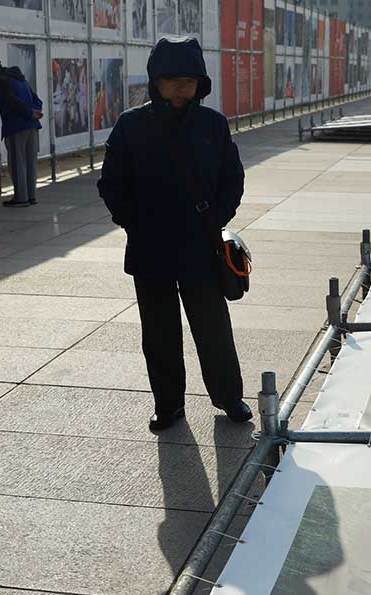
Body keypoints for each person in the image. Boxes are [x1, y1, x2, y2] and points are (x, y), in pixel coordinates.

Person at [97, 37, 251, 432]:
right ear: (156, 82)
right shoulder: (131, 124)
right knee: (158, 334)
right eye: (172, 80)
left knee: (213, 328)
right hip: (150, 248)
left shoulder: (212, 124)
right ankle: (168, 405)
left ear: (200, 84)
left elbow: (232, 178)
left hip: (201, 246)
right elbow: (112, 183)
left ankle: (229, 397)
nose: (181, 88)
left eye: (189, 81)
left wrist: (215, 220)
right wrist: (134, 223)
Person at [0, 58, 42, 207]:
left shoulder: (2, 81)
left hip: (16, 126)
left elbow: (11, 102)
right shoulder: (20, 79)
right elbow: (36, 99)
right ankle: (31, 196)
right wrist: (35, 112)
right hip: (32, 126)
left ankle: (21, 198)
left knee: (17, 164)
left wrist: (29, 113)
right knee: (30, 163)